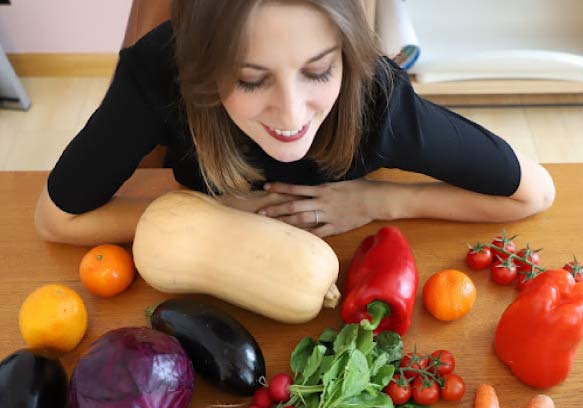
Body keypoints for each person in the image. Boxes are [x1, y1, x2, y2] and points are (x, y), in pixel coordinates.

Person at [35, 0, 555, 246]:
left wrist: (381, 201)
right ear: (200, 71)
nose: (290, 116)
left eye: (317, 72)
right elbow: (55, 218)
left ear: (347, 57)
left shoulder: (377, 99)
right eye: (250, 80)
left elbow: (534, 193)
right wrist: (210, 213)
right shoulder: (156, 73)